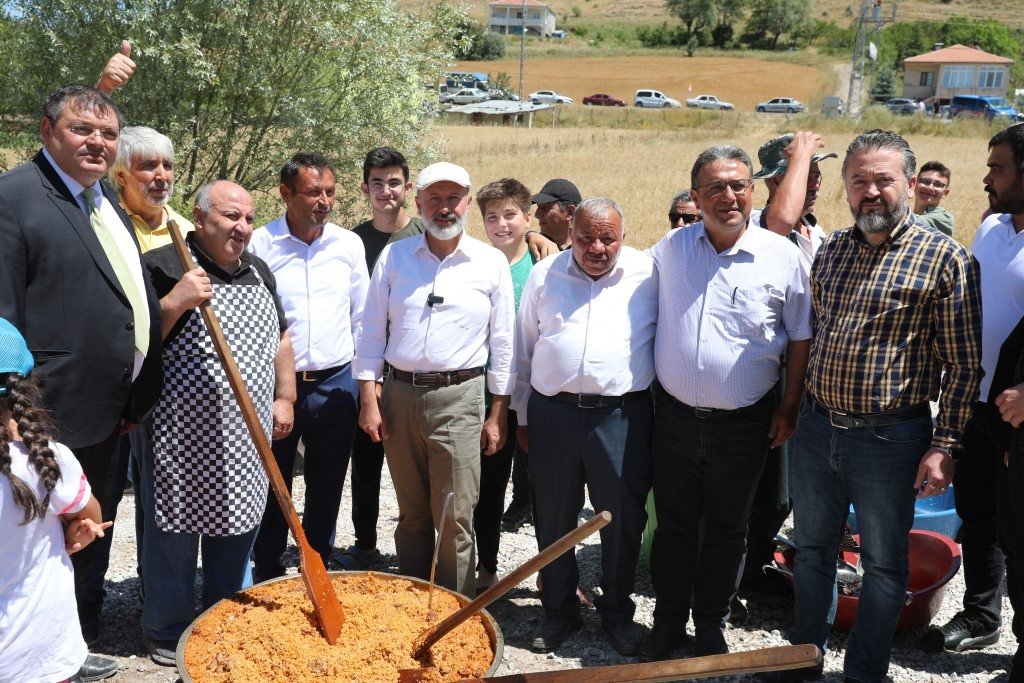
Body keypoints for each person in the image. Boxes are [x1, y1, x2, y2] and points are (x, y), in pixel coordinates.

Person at [767, 130, 983, 683]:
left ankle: (866, 672)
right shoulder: (833, 250)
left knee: (884, 566)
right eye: (859, 181)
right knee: (812, 553)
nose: (871, 192)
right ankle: (801, 664)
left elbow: (962, 365)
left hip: (891, 440)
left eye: (884, 180)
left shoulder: (946, 259)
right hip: (818, 430)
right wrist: (793, 409)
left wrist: (945, 445)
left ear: (909, 185)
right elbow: (811, 338)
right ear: (845, 187)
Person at [0, 85, 162, 679]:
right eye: (81, 130)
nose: (98, 143)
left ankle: (76, 636)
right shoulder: (14, 197)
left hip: (108, 405)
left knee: (89, 522)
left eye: (108, 134)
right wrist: (13, 410)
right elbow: (2, 314)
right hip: (46, 409)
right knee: (39, 540)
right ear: (47, 133)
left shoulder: (102, 199)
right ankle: (34, 653)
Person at [639, 145, 812, 662]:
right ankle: (668, 621)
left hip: (745, 424)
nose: (728, 196)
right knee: (672, 527)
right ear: (695, 196)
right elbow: (615, 268)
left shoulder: (782, 256)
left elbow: (800, 335)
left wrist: (792, 404)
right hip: (672, 419)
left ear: (753, 192)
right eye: (715, 187)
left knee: (727, 529)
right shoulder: (670, 249)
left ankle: (711, 622)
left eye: (738, 186)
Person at [137, 180, 296, 665]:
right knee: (174, 533)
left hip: (247, 435)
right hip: (181, 434)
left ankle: (225, 614)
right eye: (230, 217)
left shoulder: (258, 270)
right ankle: (166, 626)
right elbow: (136, 345)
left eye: (248, 218)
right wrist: (175, 302)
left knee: (238, 525)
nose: (242, 228)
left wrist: (285, 396)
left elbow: (282, 340)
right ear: (199, 218)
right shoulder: (165, 266)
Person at [354, 162, 515, 597]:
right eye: (435, 199)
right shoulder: (395, 257)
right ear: (418, 201)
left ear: (467, 201)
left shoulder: (489, 262)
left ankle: (456, 612)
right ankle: (413, 604)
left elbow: (503, 345)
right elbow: (370, 332)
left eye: (453, 199)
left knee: (456, 513)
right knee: (411, 513)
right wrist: (369, 399)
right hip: (400, 397)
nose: (444, 209)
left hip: (461, 397)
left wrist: (497, 412)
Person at [515, 197, 657, 656]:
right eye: (585, 237)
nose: (597, 247)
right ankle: (559, 610)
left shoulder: (650, 274)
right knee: (554, 515)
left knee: (622, 518)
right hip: (553, 413)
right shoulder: (545, 273)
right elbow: (525, 346)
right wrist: (521, 413)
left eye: (607, 238)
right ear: (570, 234)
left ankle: (616, 612)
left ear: (624, 236)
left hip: (621, 416)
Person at [923, 126, 1024, 659]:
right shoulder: (991, 229)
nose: (987, 179)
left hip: (1021, 411)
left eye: (999, 168)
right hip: (975, 400)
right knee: (979, 512)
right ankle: (984, 614)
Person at [249, 153, 368, 581]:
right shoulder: (260, 244)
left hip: (336, 383)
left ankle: (316, 565)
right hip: (277, 385)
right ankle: (265, 566)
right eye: (313, 192)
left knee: (328, 481)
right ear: (285, 194)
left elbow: (362, 317)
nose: (324, 201)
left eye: (330, 192)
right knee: (271, 480)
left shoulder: (347, 245)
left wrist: (366, 384)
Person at [741, 132, 837, 604]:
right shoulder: (763, 230)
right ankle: (744, 574)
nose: (814, 183)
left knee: (793, 487)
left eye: (818, 174)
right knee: (768, 488)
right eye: (805, 173)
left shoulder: (817, 233)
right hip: (774, 376)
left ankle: (756, 565)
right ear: (776, 182)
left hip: (811, 378)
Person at [0, 319, 114, 683]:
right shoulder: (49, 457)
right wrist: (72, 530)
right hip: (41, 654)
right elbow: (91, 514)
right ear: (27, 384)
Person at [473, 177, 537, 594]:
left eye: (511, 215)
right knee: (488, 484)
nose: (501, 224)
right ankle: (487, 567)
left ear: (528, 218)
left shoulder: (544, 263)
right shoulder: (475, 262)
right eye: (492, 217)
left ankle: (554, 572)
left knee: (541, 485)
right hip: (485, 391)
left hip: (535, 392)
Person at [531, 178, 581, 251]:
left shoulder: (588, 248)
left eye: (545, 207)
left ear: (570, 212)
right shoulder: (533, 248)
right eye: (538, 206)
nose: (537, 214)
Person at [913, 160, 955, 237]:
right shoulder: (911, 214)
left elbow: (910, 223)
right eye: (925, 181)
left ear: (945, 193)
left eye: (938, 184)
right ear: (914, 184)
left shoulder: (943, 218)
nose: (930, 187)